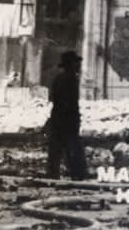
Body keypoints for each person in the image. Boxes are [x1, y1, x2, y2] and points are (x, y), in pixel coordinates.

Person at [46, 51, 88, 180]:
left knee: (56, 151)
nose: (79, 65)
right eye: (76, 62)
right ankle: (77, 176)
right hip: (67, 119)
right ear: (71, 64)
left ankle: (53, 176)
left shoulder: (59, 78)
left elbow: (52, 98)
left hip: (58, 118)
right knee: (73, 149)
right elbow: (69, 103)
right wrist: (74, 120)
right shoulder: (71, 79)